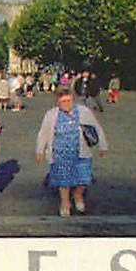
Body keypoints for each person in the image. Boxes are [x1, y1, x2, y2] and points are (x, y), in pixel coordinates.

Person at [35, 87, 108, 217]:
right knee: (63, 180)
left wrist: (102, 145)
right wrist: (40, 150)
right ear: (57, 102)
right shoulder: (52, 114)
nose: (66, 104)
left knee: (84, 178)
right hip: (60, 153)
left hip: (81, 151)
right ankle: (65, 202)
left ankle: (78, 195)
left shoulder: (84, 111)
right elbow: (44, 133)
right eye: (63, 101)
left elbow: (96, 128)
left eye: (69, 100)